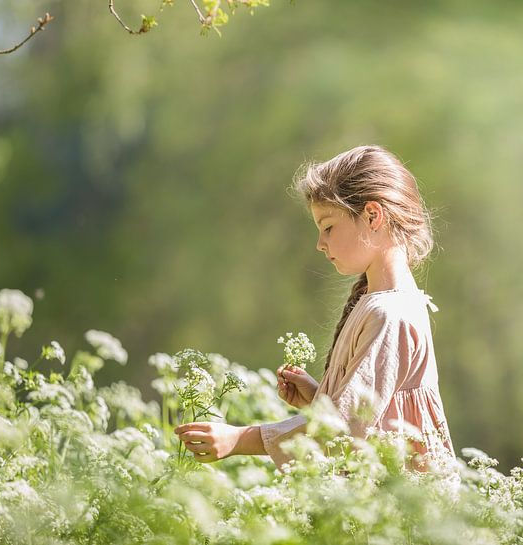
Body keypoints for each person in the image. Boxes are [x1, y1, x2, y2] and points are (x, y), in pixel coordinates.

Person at [174, 144, 457, 474]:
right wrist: (318, 398)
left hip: (403, 514)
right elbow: (370, 417)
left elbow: (343, 433)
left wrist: (240, 439)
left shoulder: (389, 314)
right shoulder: (388, 303)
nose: (320, 244)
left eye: (328, 227)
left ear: (372, 216)